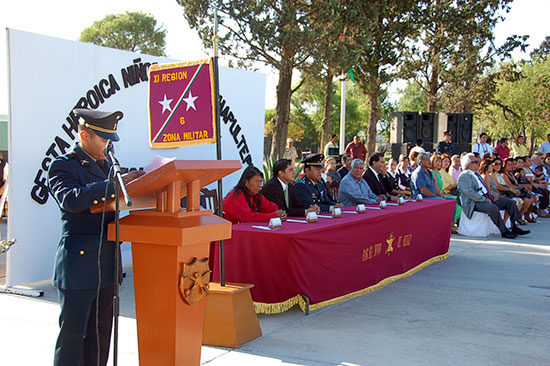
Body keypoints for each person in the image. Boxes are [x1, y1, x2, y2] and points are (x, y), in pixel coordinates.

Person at [48, 108, 145, 366]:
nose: (108, 146)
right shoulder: (63, 165)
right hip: (79, 265)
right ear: (84, 135)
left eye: (110, 140)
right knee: (73, 339)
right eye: (103, 140)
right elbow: (71, 199)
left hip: (107, 264)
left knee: (100, 338)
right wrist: (116, 183)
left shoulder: (107, 166)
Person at [457, 153, 527, 239]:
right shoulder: (464, 176)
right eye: (476, 162)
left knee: (510, 202)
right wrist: (483, 199)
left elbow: (484, 187)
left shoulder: (476, 174)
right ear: (469, 164)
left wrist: (491, 194)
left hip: (487, 197)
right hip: (474, 202)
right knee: (493, 208)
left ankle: (514, 226)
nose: (478, 163)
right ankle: (504, 231)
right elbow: (469, 193)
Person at [480, 158, 530, 233]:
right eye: (491, 166)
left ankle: (514, 225)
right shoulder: (485, 177)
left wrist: (500, 195)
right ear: (486, 167)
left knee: (511, 202)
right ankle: (511, 226)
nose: (493, 167)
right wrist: (497, 196)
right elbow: (488, 191)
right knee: (511, 202)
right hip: (492, 198)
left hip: (497, 196)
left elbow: (495, 189)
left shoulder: (490, 176)